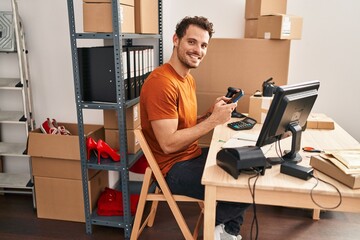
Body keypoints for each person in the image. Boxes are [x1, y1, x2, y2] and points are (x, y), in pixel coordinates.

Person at [140, 16, 250, 240]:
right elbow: (169, 144)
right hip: (172, 169)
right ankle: (219, 228)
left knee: (249, 168)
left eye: (203, 45)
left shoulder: (187, 79)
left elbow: (183, 126)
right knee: (244, 188)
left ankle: (224, 229)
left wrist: (210, 113)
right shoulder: (161, 83)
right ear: (176, 40)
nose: (198, 50)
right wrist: (212, 122)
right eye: (192, 42)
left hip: (192, 154)